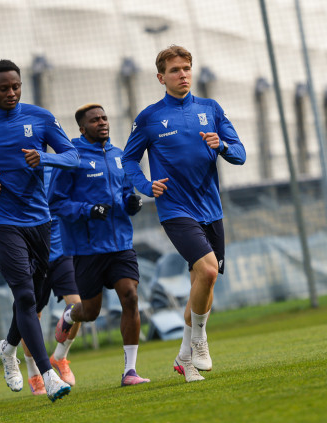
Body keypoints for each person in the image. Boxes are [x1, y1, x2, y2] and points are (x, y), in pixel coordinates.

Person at [121, 45, 246, 383]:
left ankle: (184, 358)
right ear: (161, 77)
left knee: (203, 283)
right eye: (175, 70)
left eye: (187, 68)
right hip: (175, 209)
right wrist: (145, 186)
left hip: (211, 208)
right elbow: (128, 159)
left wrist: (221, 146)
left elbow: (240, 153)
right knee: (208, 270)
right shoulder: (149, 118)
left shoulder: (210, 109)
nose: (183, 75)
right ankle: (200, 341)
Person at [0, 59, 79, 402]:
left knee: (36, 297)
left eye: (16, 86)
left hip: (40, 220)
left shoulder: (40, 117)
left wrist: (45, 158)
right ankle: (47, 376)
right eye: (3, 88)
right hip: (1, 221)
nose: (11, 93)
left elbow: (72, 156)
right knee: (26, 296)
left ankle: (8, 347)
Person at [52, 103, 150, 387]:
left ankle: (130, 371)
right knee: (90, 312)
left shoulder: (119, 156)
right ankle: (71, 314)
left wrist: (131, 203)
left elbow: (124, 193)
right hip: (87, 248)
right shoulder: (71, 158)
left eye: (104, 118)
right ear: (82, 128)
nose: (102, 122)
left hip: (120, 244)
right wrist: (88, 210)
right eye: (95, 120)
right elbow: (56, 202)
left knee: (130, 297)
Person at [22, 183, 81, 396]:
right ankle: (34, 374)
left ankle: (59, 357)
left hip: (61, 255)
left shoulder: (58, 172)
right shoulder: (18, 174)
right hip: (32, 259)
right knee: (31, 315)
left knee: (78, 306)